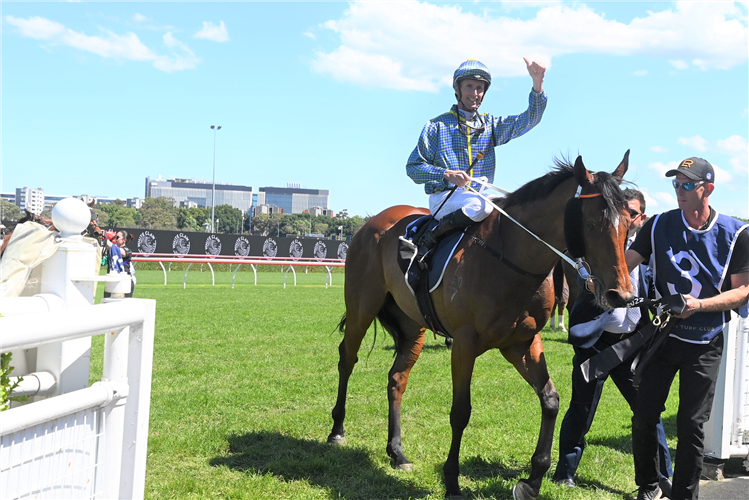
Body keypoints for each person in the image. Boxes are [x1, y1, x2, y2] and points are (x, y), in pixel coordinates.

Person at [626, 158, 749, 500]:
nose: (679, 191)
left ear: (707, 189)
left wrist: (700, 305)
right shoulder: (659, 225)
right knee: (644, 415)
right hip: (663, 336)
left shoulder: (736, 233)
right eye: (675, 184)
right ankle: (649, 485)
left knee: (691, 425)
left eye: (686, 185)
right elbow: (627, 264)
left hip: (706, 340)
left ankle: (684, 495)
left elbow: (743, 290)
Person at [552, 189, 673, 493]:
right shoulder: (597, 245)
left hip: (634, 345)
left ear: (640, 217)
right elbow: (581, 275)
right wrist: (589, 281)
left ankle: (664, 476)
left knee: (648, 411)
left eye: (630, 212)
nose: (624, 217)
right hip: (596, 340)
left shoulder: (652, 253)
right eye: (619, 211)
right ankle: (564, 473)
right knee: (581, 408)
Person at [406, 57, 547, 259]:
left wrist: (537, 83)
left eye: (479, 88)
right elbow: (413, 168)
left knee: (514, 209)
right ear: (458, 90)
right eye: (469, 87)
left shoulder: (490, 125)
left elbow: (530, 119)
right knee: (483, 206)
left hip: (480, 196)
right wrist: (446, 174)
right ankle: (431, 236)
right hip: (444, 198)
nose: (475, 93)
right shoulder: (436, 126)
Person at [104, 229, 136, 298]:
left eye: (117, 237)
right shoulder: (111, 249)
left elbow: (119, 251)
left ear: (124, 240)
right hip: (111, 281)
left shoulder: (127, 251)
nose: (115, 239)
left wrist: (105, 239)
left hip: (124, 282)